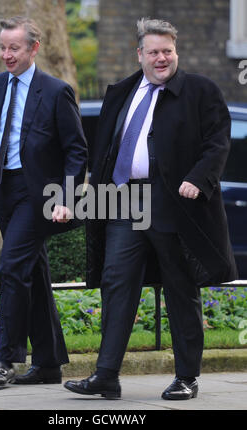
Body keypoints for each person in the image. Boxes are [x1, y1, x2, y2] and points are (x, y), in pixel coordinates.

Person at [64, 18, 237, 400]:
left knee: (180, 289)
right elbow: (106, 150)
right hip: (124, 202)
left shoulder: (200, 91)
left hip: (174, 203)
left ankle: (186, 377)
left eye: (168, 51)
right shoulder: (123, 91)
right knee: (116, 285)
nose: (162, 59)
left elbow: (218, 143)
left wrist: (198, 177)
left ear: (177, 52)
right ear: (139, 54)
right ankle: (106, 375)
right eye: (154, 52)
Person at [0, 16, 87, 386]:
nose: (6, 55)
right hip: (5, 190)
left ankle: (6, 358)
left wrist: (65, 197)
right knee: (34, 273)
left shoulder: (55, 90)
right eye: (2, 47)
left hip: (40, 195)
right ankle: (48, 363)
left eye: (14, 47)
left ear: (34, 47)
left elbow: (77, 151)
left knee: (10, 270)